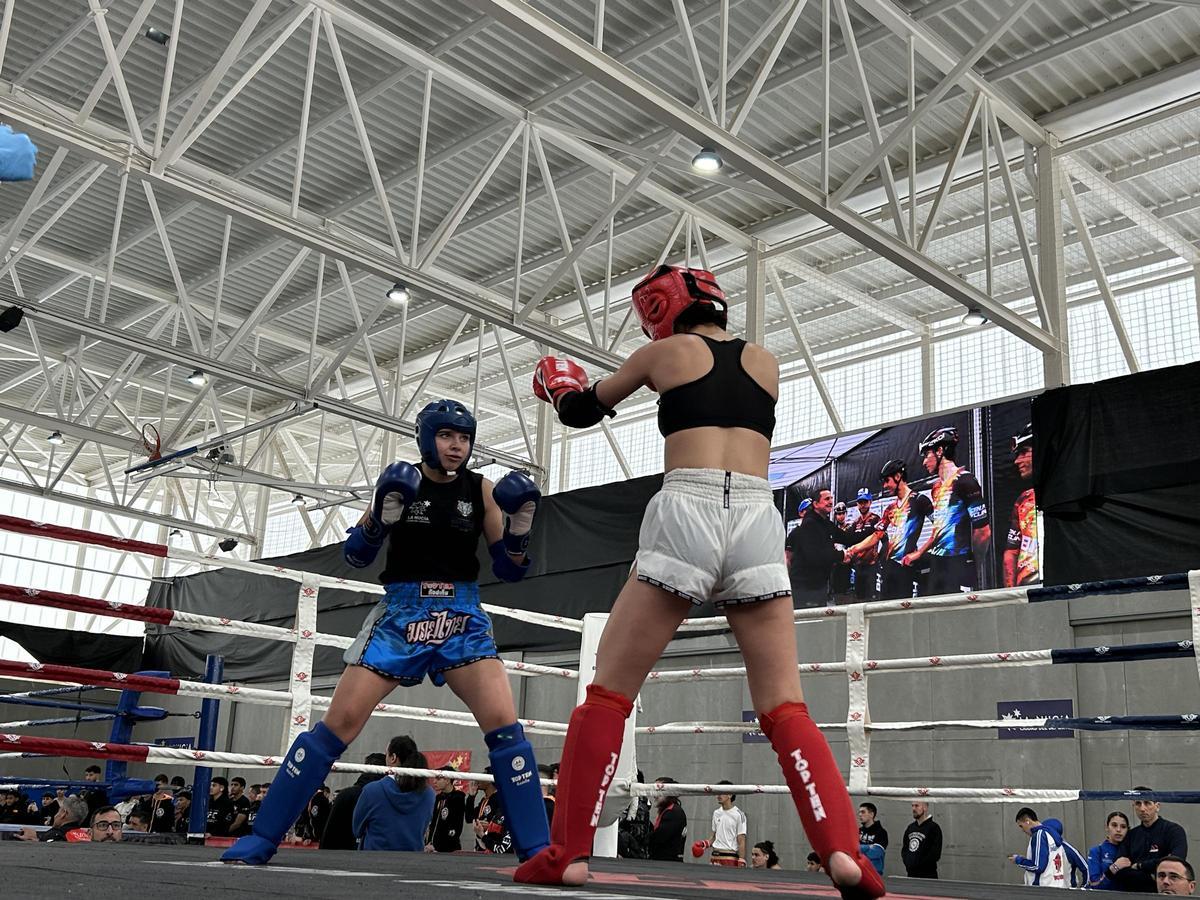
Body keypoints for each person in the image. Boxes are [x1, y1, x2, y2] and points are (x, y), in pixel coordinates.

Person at [516, 263, 884, 900]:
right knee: (785, 705)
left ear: (661, 308)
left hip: (687, 507)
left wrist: (558, 384)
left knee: (608, 694)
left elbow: (580, 412)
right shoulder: (766, 362)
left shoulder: (664, 354)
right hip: (758, 515)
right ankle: (843, 852)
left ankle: (568, 853)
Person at [222, 398, 550, 865]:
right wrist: (379, 520)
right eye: (446, 435)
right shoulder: (402, 481)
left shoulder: (482, 490)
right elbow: (356, 555)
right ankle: (263, 837)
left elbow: (510, 570)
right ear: (426, 437)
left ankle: (536, 851)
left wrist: (518, 533)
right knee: (338, 723)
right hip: (401, 613)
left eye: (464, 438)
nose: (457, 446)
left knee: (505, 727)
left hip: (461, 614)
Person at [905, 427, 990, 594]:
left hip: (957, 562)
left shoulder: (965, 481)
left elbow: (983, 532)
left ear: (939, 451)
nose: (924, 462)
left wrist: (974, 564)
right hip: (937, 563)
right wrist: (919, 553)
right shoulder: (936, 487)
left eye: (926, 455)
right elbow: (938, 530)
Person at [785, 490, 867, 608]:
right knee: (809, 617)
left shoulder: (826, 523)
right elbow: (815, 555)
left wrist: (876, 530)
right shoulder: (809, 524)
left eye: (831, 498)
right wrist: (841, 555)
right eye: (826, 499)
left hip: (820, 585)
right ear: (816, 504)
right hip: (805, 587)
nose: (830, 502)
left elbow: (847, 538)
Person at [352, 736, 435, 851]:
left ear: (393, 758)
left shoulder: (372, 790)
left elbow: (357, 830)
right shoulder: (429, 794)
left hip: (374, 859)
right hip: (413, 858)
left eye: (386, 754)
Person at [1109, 788, 1189, 892]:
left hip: (1164, 893)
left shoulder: (1173, 831)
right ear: (1133, 806)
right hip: (1133, 893)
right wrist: (1152, 874)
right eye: (1138, 803)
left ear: (1157, 806)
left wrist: (1139, 865)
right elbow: (1120, 871)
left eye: (1147, 803)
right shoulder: (1131, 835)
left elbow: (1176, 862)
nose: (1142, 808)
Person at [1009, 807, 1088, 887]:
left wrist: (1019, 860)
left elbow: (1038, 866)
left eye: (1021, 826)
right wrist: (1084, 887)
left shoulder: (1039, 835)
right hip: (1059, 887)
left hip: (1042, 888)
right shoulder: (1056, 841)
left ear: (1027, 821)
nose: (1022, 830)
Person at [322, 753, 386, 850]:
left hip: (342, 854)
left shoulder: (345, 795)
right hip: (374, 856)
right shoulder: (385, 798)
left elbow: (328, 837)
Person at [1004, 423, 1040, 587]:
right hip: (1026, 590)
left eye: (1024, 452)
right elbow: (1011, 551)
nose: (1017, 461)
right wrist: (1010, 592)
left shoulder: (1071, 493)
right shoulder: (1023, 499)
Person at [693, 780, 747, 866]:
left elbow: (741, 840)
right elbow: (714, 837)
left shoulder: (739, 815)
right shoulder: (716, 813)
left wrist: (741, 859)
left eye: (721, 793)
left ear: (730, 795)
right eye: (717, 793)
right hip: (714, 856)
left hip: (729, 857)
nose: (718, 795)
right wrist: (704, 844)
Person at [425, 765, 469, 852]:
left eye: (438, 779)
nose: (434, 781)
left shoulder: (458, 798)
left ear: (448, 780)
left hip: (449, 850)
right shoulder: (439, 798)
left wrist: (437, 847)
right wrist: (428, 842)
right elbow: (434, 823)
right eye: (434, 778)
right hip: (432, 848)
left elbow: (456, 828)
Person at [470, 767, 511, 854]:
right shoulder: (484, 800)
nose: (479, 779)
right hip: (482, 845)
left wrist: (489, 826)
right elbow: (469, 818)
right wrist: (471, 796)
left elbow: (502, 824)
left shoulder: (500, 799)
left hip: (494, 849)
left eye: (483, 775)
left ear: (490, 779)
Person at [849, 490, 881, 600]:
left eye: (865, 502)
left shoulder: (875, 519)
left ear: (870, 502)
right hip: (858, 566)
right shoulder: (855, 523)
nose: (863, 505)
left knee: (871, 599)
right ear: (857, 504)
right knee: (858, 598)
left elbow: (884, 540)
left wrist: (880, 557)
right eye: (860, 502)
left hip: (871, 566)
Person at [17, 794, 88, 842]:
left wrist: (36, 838)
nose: (55, 815)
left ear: (63, 814)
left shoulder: (55, 836)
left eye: (59, 811)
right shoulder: (86, 837)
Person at [647, 777, 687, 862]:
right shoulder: (669, 810)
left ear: (669, 792)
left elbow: (658, 838)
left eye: (658, 790)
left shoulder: (673, 812)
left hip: (667, 863)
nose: (654, 795)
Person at [1090, 811, 1131, 890]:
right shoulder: (1096, 851)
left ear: (1128, 829)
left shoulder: (1132, 851)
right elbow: (1094, 885)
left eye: (1123, 827)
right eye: (1114, 825)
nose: (1118, 830)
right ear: (1107, 827)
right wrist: (1114, 868)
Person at [902, 801, 942, 878]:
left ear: (925, 808)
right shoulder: (910, 828)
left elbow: (935, 854)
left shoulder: (934, 828)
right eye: (912, 806)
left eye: (917, 806)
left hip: (928, 877)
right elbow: (905, 849)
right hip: (911, 876)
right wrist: (908, 864)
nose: (913, 808)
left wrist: (918, 866)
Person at [858, 802, 888, 876]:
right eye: (859, 812)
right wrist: (869, 847)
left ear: (871, 814)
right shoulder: (858, 831)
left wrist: (860, 848)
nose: (860, 815)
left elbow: (876, 853)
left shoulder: (881, 832)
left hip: (874, 873)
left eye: (863, 812)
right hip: (858, 872)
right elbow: (853, 850)